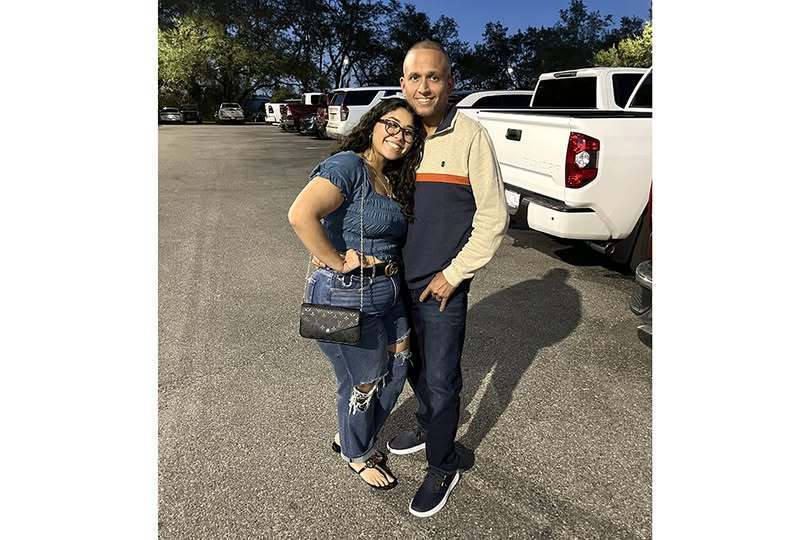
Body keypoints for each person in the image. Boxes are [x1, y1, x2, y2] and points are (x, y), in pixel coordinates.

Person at [387, 41, 509, 517]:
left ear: (449, 82)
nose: (424, 87)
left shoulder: (471, 136)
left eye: (433, 77)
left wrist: (454, 275)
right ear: (403, 84)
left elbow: (493, 217)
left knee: (441, 381)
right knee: (411, 367)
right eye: (415, 77)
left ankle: (443, 463)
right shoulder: (397, 136)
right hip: (393, 283)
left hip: (441, 290)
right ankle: (426, 425)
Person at [288, 98, 424, 489]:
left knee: (397, 368)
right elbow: (301, 214)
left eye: (409, 131)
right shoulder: (349, 165)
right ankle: (357, 453)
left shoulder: (391, 178)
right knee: (363, 380)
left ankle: (351, 434)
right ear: (373, 123)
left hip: (389, 293)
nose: (399, 136)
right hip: (344, 294)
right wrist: (334, 259)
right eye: (392, 124)